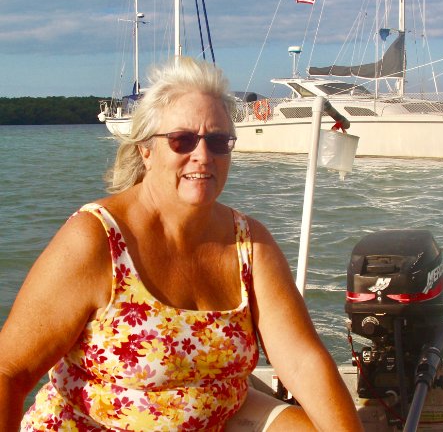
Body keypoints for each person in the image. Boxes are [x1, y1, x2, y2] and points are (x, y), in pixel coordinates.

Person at [0, 57, 363, 431]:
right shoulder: (95, 240)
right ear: (146, 149)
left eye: (219, 141)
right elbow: (9, 371)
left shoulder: (250, 243)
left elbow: (302, 360)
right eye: (182, 139)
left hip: (218, 412)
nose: (203, 155)